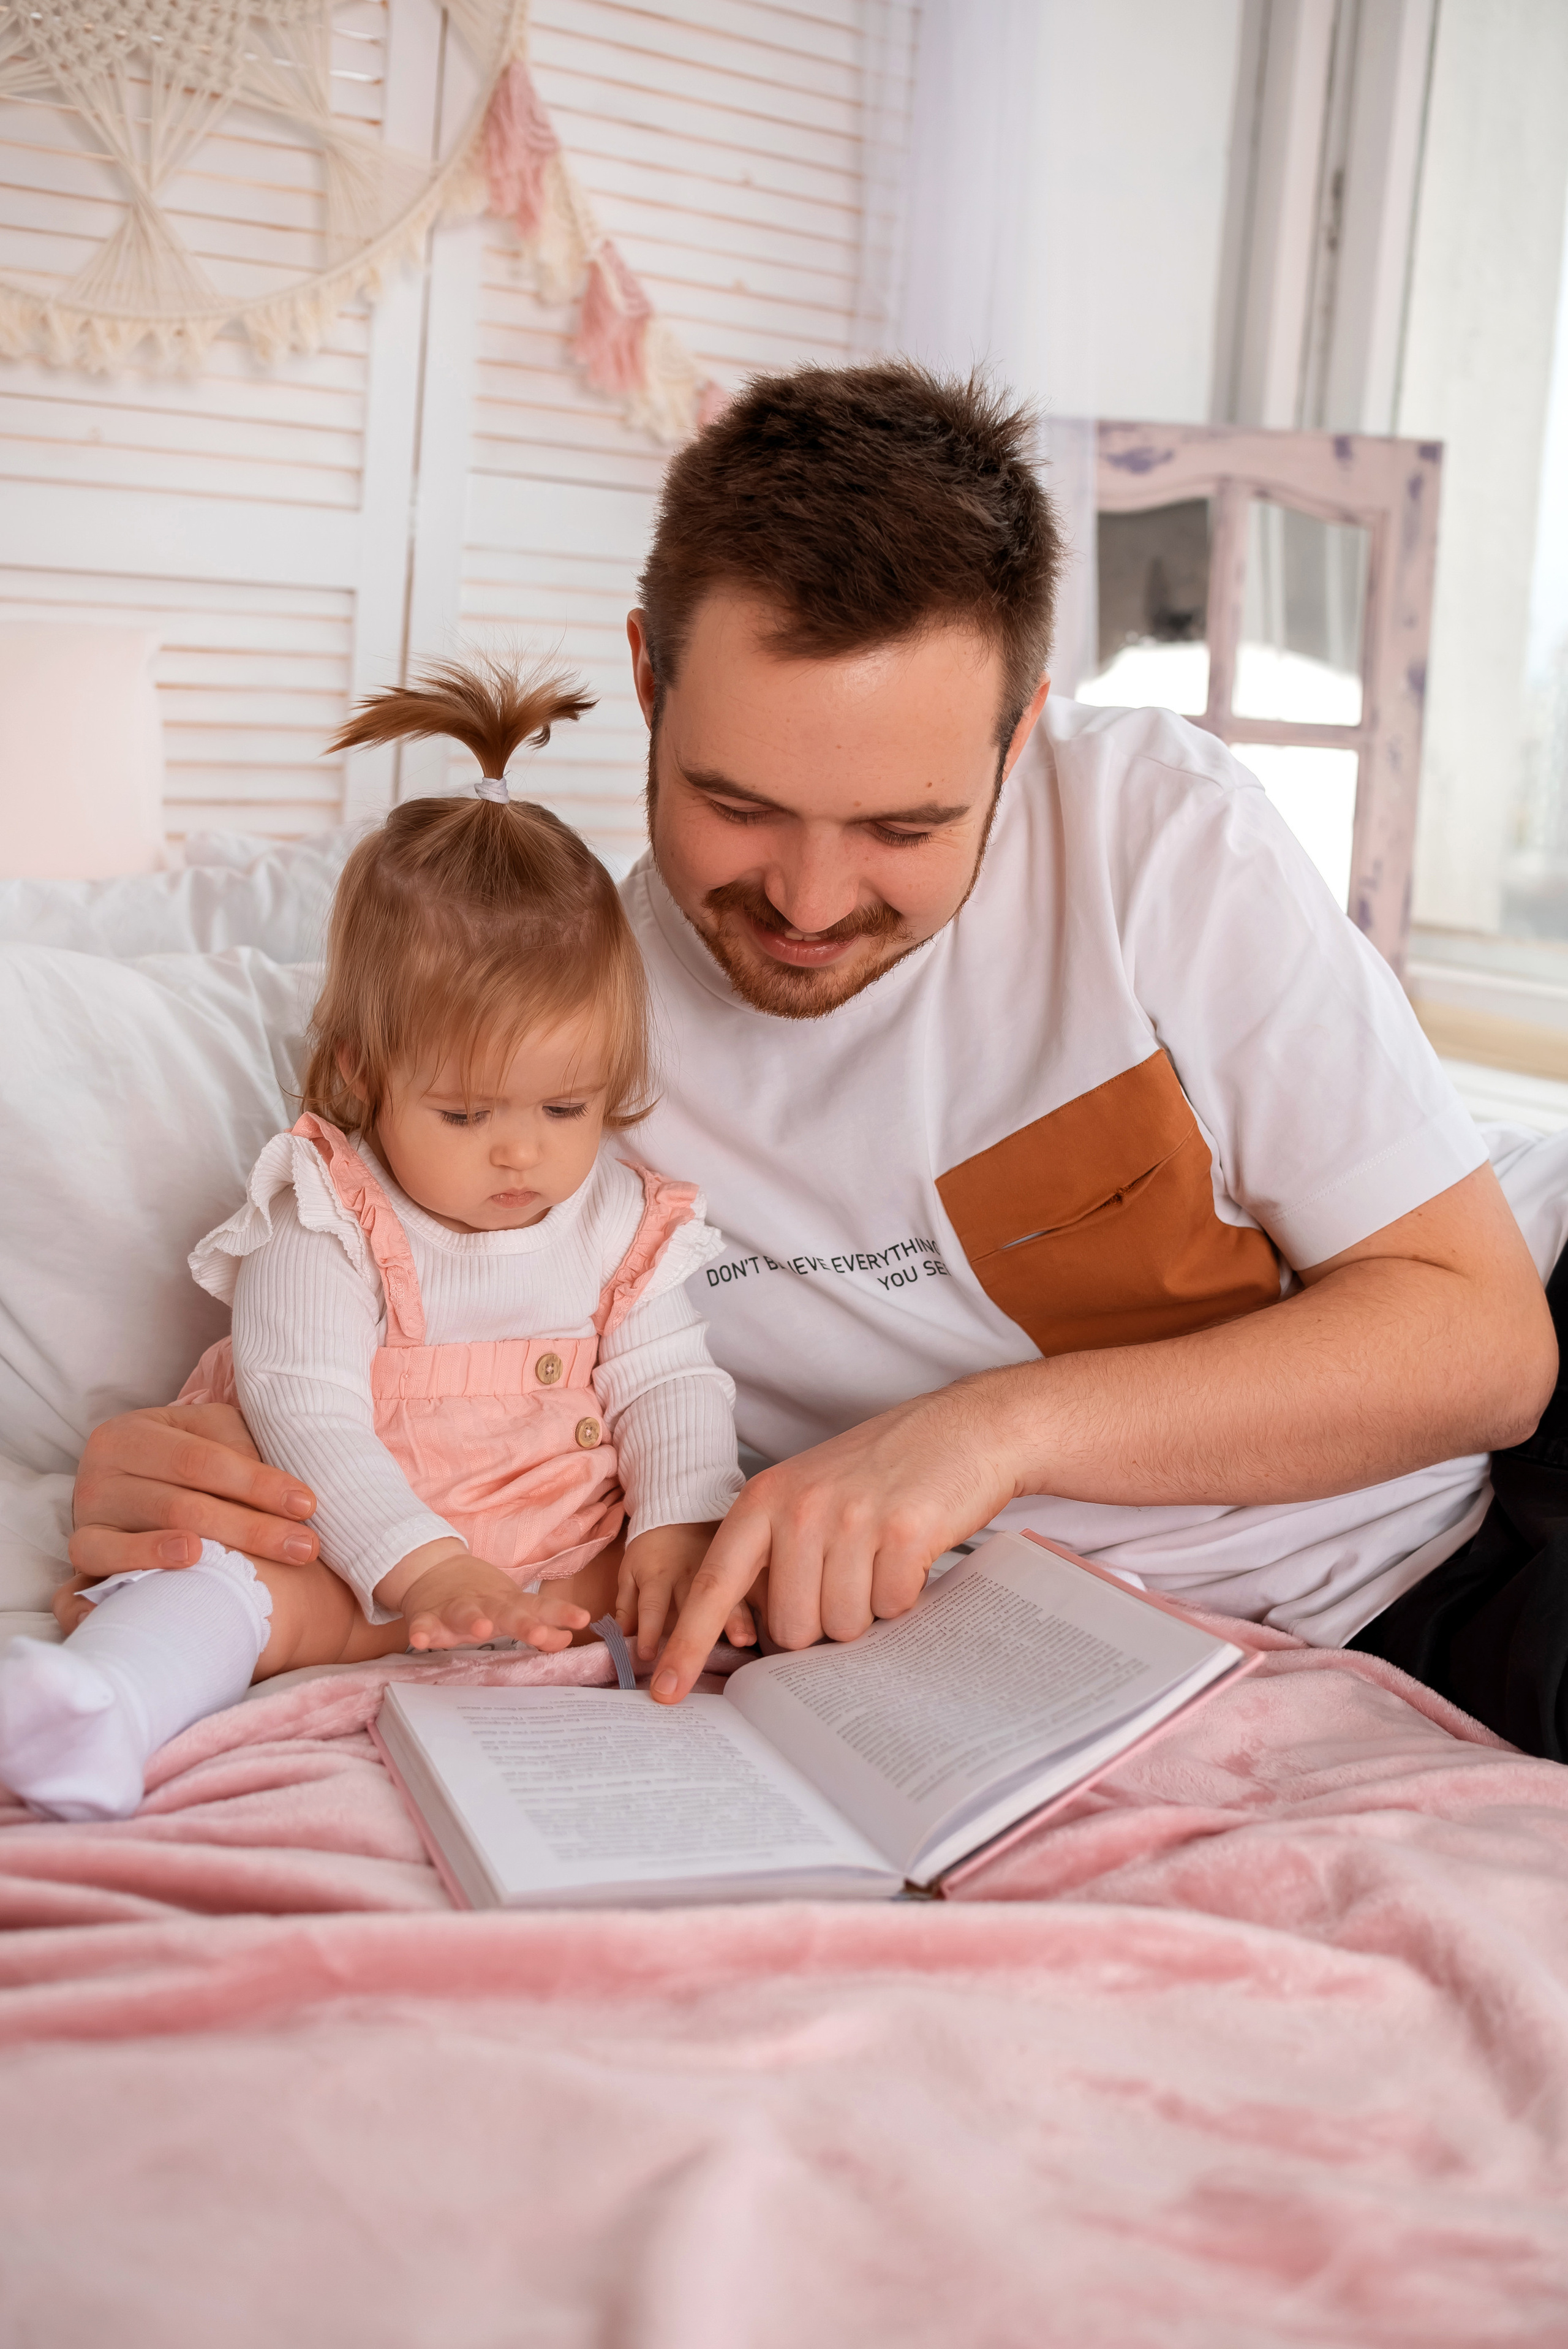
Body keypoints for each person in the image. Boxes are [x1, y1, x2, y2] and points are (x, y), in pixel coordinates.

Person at [64, 365, 1565, 1752]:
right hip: (1094, 1650)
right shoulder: (557, 1038)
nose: (806, 899)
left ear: (1019, 732)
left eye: (904, 831)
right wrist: (203, 1484)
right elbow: (416, 1374)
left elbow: (1482, 1350)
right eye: (739, 804)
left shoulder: (1149, 835)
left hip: (1464, 1519)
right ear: (647, 681)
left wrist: (988, 1434)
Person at [1, 665, 744, 1818]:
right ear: (362, 1073)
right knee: (221, 1590)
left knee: (687, 1586)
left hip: (551, 1550)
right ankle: (101, 1706)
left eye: (565, 1107)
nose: (522, 1156)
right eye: (465, 1113)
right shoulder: (329, 1210)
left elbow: (668, 1378)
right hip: (346, 1547)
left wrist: (680, 1523)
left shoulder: (618, 1216)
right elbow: (305, 1412)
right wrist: (425, 1568)